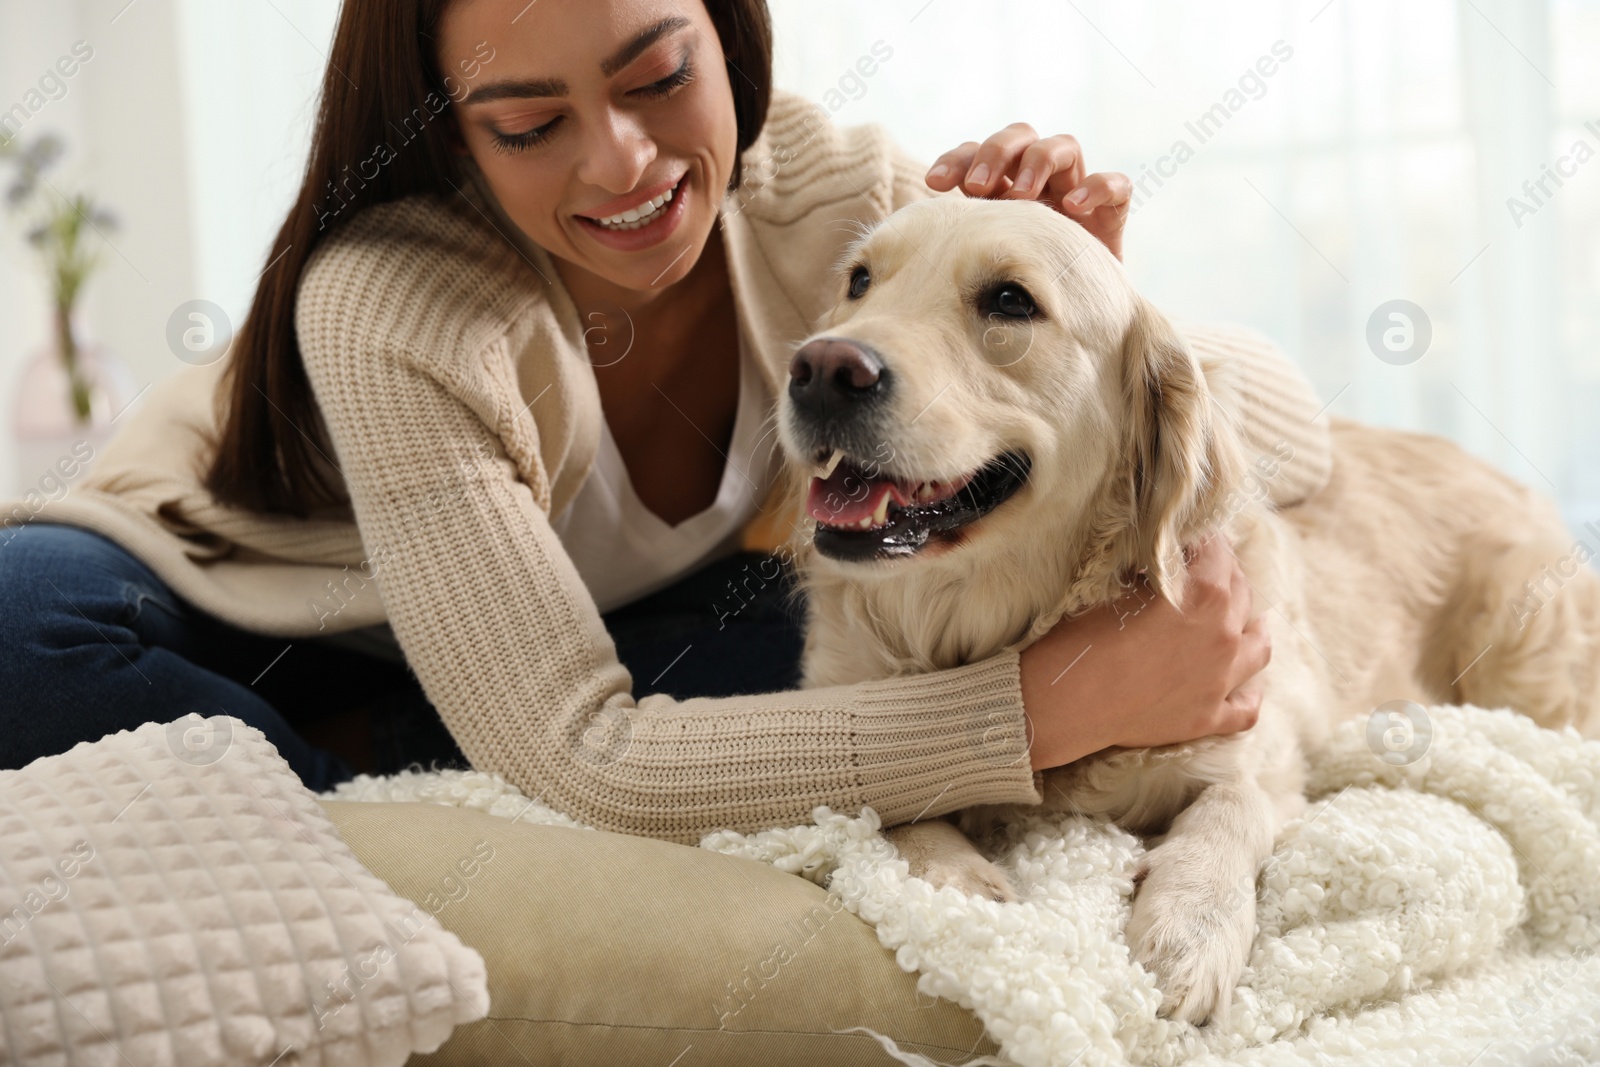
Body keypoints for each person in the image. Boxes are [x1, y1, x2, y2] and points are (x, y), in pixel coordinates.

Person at [0, 0, 1331, 840]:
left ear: (729, 31)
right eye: (528, 124)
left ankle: (444, 749)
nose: (622, 164)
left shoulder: (839, 203)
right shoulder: (393, 304)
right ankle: (419, 786)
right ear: (454, 142)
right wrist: (1042, 709)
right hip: (258, 607)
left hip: (601, 628)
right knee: (19, 640)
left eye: (655, 76)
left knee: (802, 628)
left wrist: (1093, 307)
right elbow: (594, 766)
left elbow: (1294, 430)